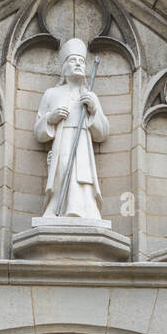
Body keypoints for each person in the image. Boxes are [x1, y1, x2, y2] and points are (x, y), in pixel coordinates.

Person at [34, 38, 109, 220]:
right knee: (62, 173)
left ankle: (87, 210)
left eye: (82, 61)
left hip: (82, 142)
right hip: (62, 141)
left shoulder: (90, 95)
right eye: (73, 60)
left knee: (83, 176)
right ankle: (56, 209)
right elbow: (38, 132)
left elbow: (103, 132)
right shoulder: (52, 94)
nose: (78, 64)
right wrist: (51, 119)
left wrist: (93, 109)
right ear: (64, 67)